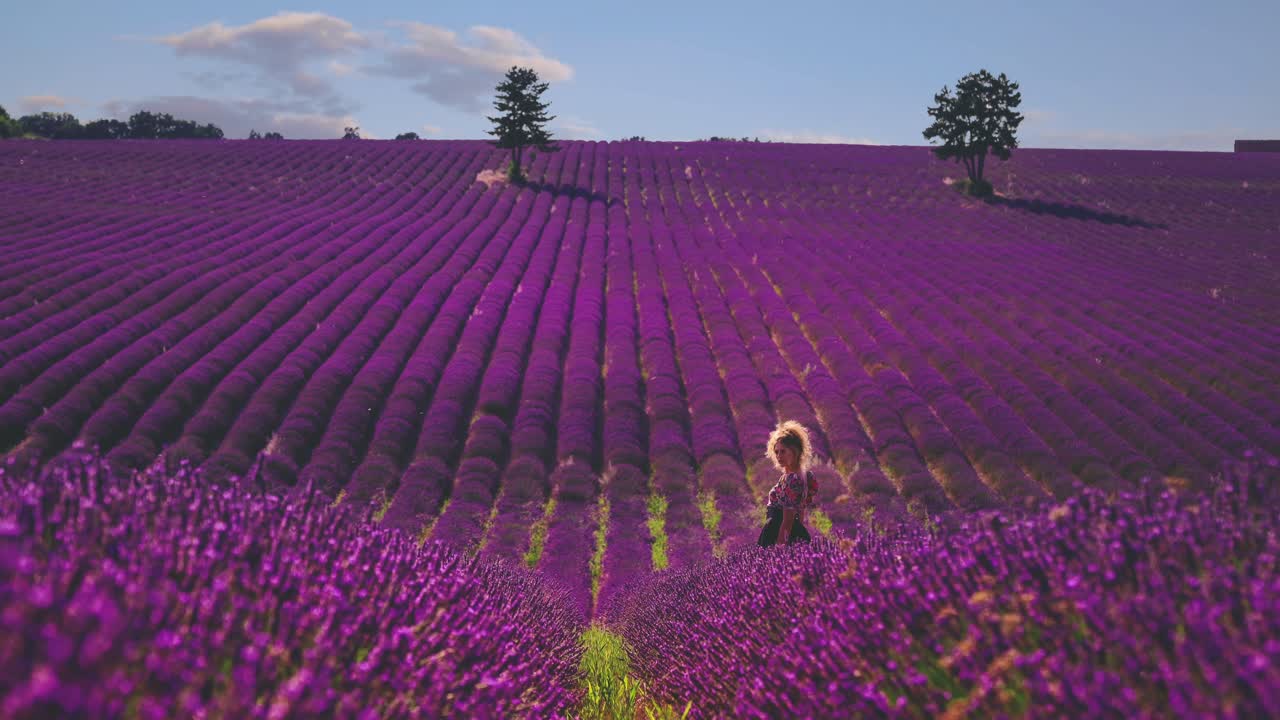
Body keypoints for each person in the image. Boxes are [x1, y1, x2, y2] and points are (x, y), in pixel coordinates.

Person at [757, 420, 818, 547]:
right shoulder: (805, 476)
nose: (779, 456)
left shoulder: (792, 480)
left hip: (777, 531)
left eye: (783, 451)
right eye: (776, 452)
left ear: (795, 451)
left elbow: (788, 520)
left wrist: (780, 546)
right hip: (793, 532)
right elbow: (800, 513)